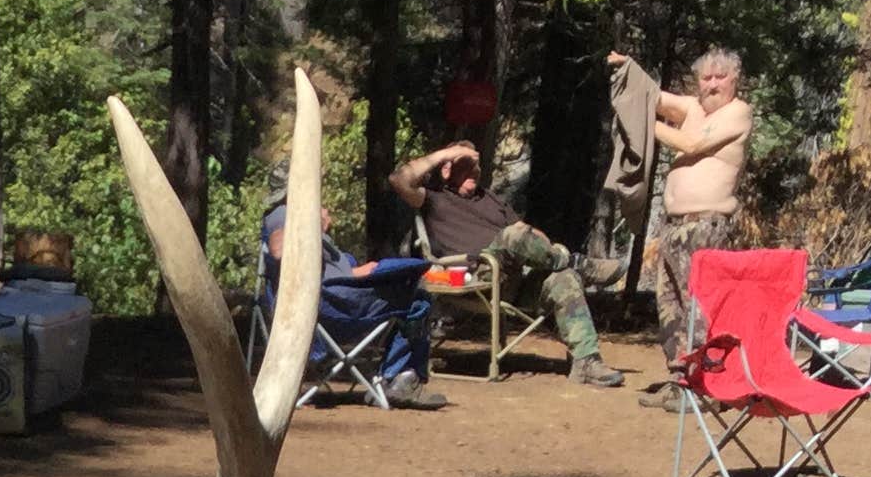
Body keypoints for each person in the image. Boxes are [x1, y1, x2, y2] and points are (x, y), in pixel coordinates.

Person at [386, 139, 624, 388]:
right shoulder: (433, 199)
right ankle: (578, 263)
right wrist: (448, 153)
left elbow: (527, 232)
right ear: (446, 169)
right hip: (476, 277)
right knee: (512, 236)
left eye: (477, 165)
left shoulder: (489, 198)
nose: (475, 170)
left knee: (563, 277)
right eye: (466, 163)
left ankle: (586, 361)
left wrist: (548, 248)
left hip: (513, 281)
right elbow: (398, 179)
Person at [613, 46, 752, 377]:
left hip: (705, 227)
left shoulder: (737, 112)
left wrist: (640, 123)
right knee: (669, 307)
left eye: (721, 77)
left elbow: (691, 145)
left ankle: (706, 383)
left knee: (699, 307)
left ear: (735, 79)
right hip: (673, 227)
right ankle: (679, 380)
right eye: (706, 78)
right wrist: (626, 69)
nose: (713, 84)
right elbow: (652, 97)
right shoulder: (692, 108)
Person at [258, 196, 444, 408]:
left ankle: (394, 379)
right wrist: (315, 223)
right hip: (329, 307)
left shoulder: (300, 213)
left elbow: (330, 271)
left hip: (337, 299)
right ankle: (399, 379)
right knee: (416, 299)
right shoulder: (284, 211)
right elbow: (279, 250)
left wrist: (364, 271)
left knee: (409, 283)